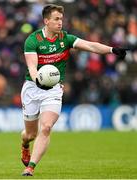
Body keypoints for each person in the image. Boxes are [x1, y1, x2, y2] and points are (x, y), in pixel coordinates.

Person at [21, 4, 127, 176]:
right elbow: (32, 67)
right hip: (33, 88)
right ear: (46, 21)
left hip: (54, 89)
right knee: (30, 134)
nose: (60, 22)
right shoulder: (33, 40)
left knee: (46, 127)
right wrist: (38, 80)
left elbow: (91, 46)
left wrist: (112, 50)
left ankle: (30, 167)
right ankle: (25, 144)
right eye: (56, 19)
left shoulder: (66, 39)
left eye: (61, 19)